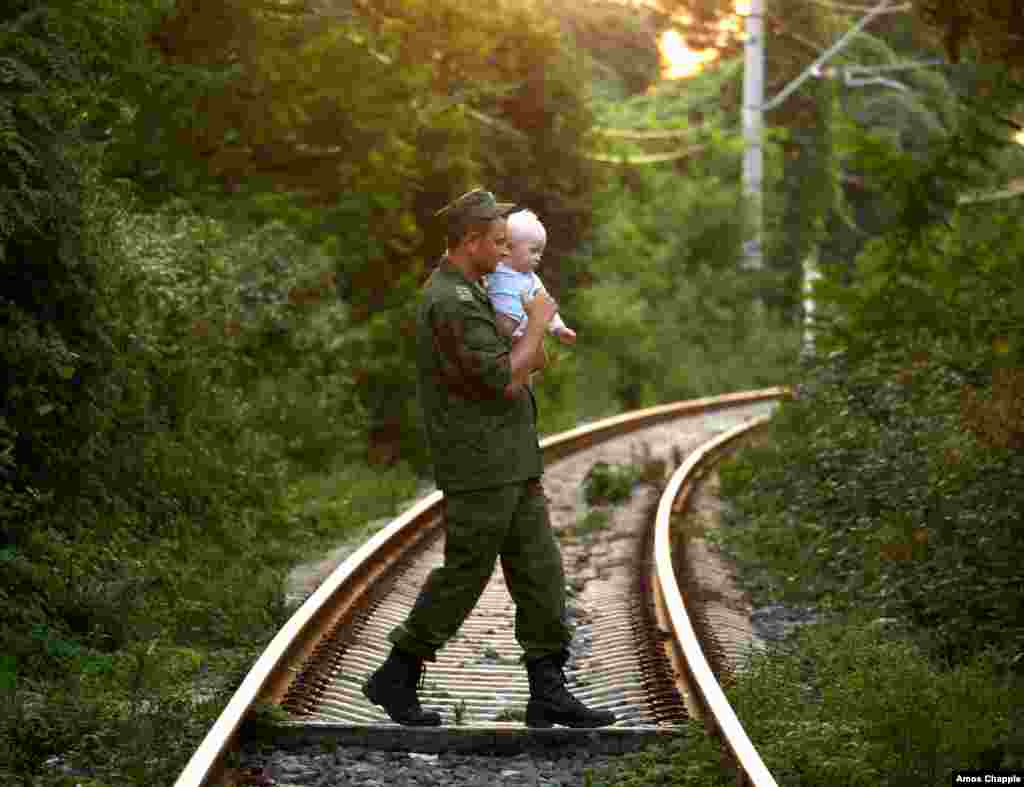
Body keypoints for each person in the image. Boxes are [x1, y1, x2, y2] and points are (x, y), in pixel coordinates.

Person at [362, 188, 615, 729]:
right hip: (479, 463)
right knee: (465, 574)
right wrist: (539, 322)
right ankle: (398, 671)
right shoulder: (451, 302)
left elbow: (531, 360)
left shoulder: (477, 292)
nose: (505, 252)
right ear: (470, 240)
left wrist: (528, 345)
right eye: (497, 242)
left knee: (541, 573)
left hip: (511, 458)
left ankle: (548, 689)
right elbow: (506, 377)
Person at [486, 209, 577, 345]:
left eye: (541, 252)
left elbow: (546, 306)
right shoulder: (493, 268)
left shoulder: (532, 280)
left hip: (520, 338)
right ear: (509, 247)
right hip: (494, 334)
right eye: (534, 251)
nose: (538, 257)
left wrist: (558, 328)